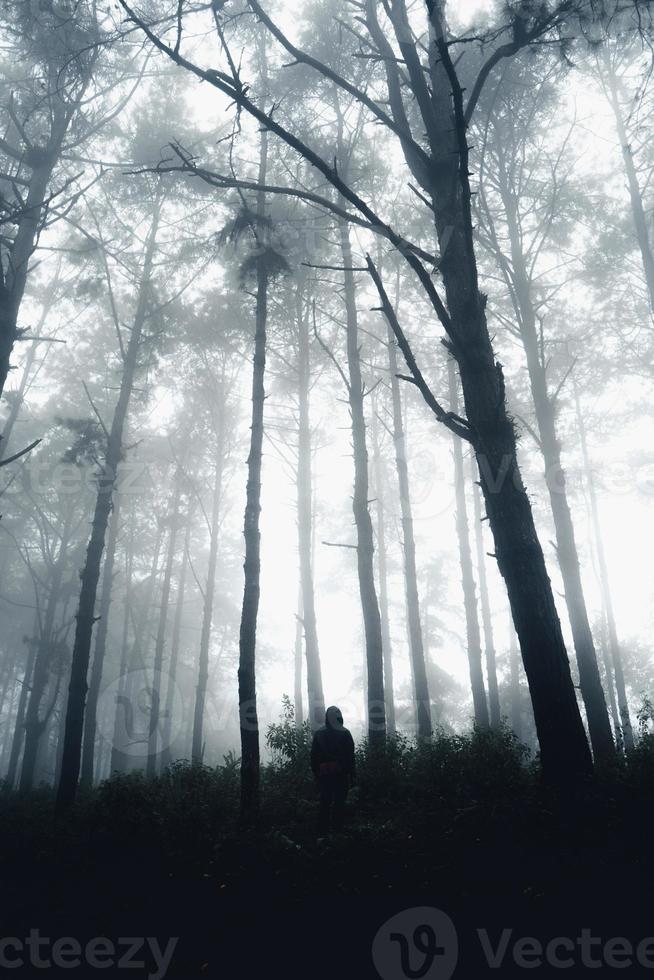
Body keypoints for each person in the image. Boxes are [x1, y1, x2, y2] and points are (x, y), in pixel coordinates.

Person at [310, 705, 356, 835]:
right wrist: (352, 774)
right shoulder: (345, 733)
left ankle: (322, 833)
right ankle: (337, 831)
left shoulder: (319, 733)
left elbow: (314, 756)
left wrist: (316, 774)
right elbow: (350, 756)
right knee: (339, 803)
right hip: (341, 775)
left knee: (324, 803)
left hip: (324, 775)